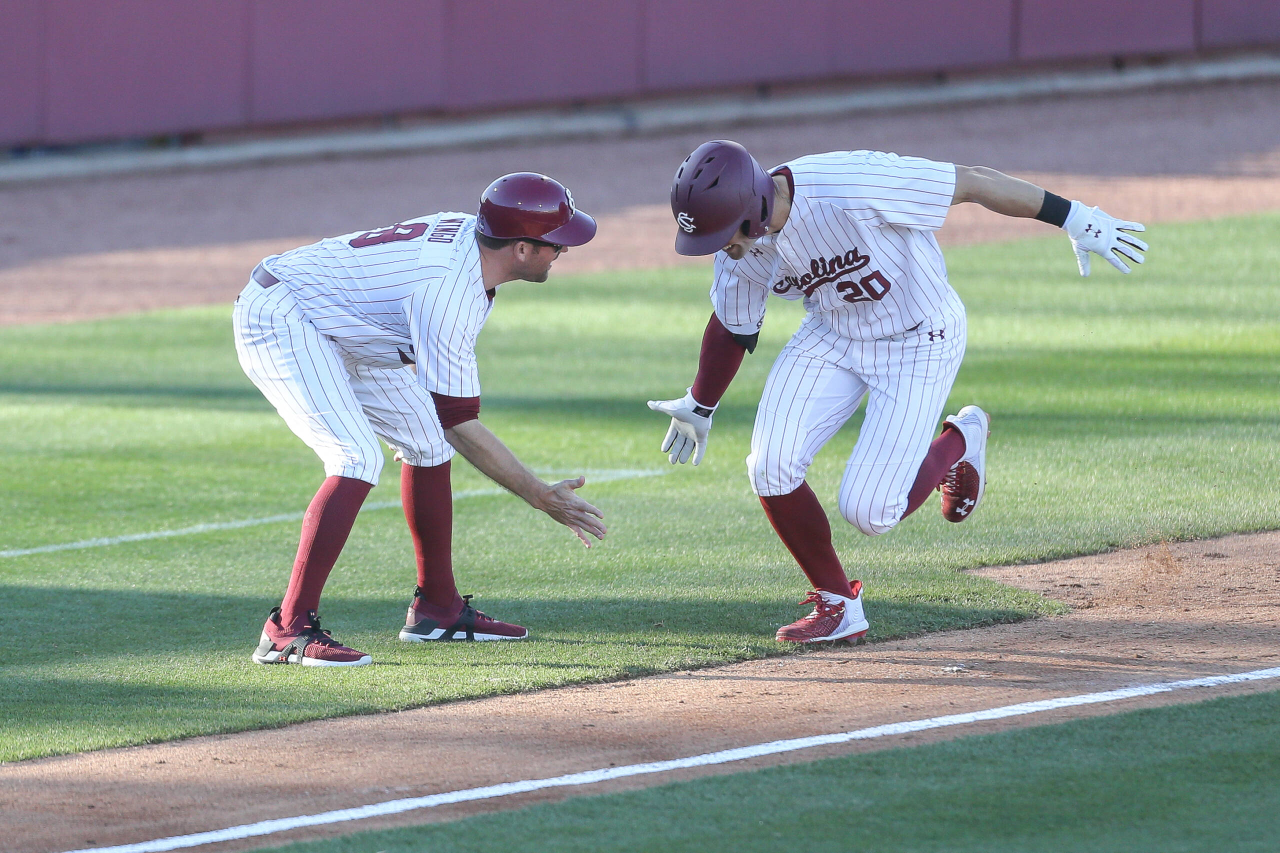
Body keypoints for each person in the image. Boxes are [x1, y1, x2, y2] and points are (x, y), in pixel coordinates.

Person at [650, 140, 1146, 643]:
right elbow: (733, 326)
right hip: (833, 334)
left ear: (753, 210)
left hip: (921, 337)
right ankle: (839, 604)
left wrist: (1074, 216)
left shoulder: (850, 185)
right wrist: (701, 402)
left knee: (870, 512)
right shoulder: (741, 251)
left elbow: (972, 180)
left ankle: (961, 439)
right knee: (769, 466)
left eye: (720, 233)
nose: (717, 247)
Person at [234, 172, 606, 667]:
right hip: (285, 315)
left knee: (427, 440)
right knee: (356, 457)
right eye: (555, 243)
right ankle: (285, 630)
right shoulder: (449, 293)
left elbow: (440, 415)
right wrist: (537, 493)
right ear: (520, 249)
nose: (562, 251)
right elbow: (459, 419)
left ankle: (437, 609)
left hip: (345, 323)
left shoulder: (472, 248)